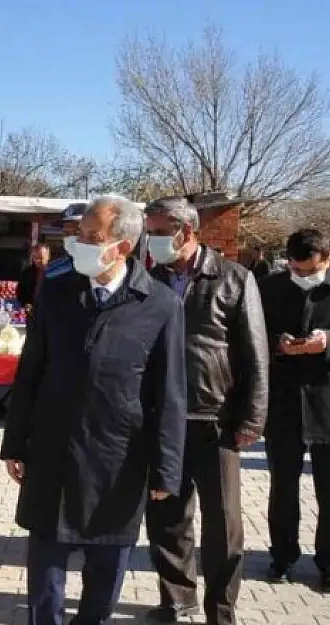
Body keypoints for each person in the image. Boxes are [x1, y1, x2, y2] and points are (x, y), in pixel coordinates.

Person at [0, 195, 186, 625]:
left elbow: (170, 394)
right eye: (79, 233)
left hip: (118, 462)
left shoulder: (159, 305)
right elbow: (31, 372)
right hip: (53, 453)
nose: (78, 243)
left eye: (91, 236)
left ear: (122, 245)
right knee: (45, 579)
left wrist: (166, 471)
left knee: (104, 579)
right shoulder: (57, 294)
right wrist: (14, 442)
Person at [142, 196, 269, 625]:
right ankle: (176, 601)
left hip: (216, 421)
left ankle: (221, 610)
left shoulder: (234, 278)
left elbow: (256, 353)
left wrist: (252, 418)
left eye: (160, 233)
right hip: (163, 422)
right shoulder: (147, 279)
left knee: (224, 525)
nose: (152, 241)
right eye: (150, 232)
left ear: (187, 232)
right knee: (166, 521)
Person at [258, 228, 330, 590]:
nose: (303, 277)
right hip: (284, 402)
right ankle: (282, 556)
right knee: (282, 487)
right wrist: (278, 344)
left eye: (310, 270)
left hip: (326, 402)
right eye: (297, 270)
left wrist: (326, 342)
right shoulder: (270, 288)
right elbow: (252, 335)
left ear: (326, 260)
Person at [44, 204, 84, 280]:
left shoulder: (103, 272)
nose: (71, 238)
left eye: (78, 232)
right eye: (67, 233)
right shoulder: (52, 272)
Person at [17, 243, 51, 309]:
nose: (38, 261)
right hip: (31, 310)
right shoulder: (27, 273)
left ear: (48, 257)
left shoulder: (56, 274)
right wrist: (26, 304)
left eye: (41, 258)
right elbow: (20, 292)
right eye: (35, 258)